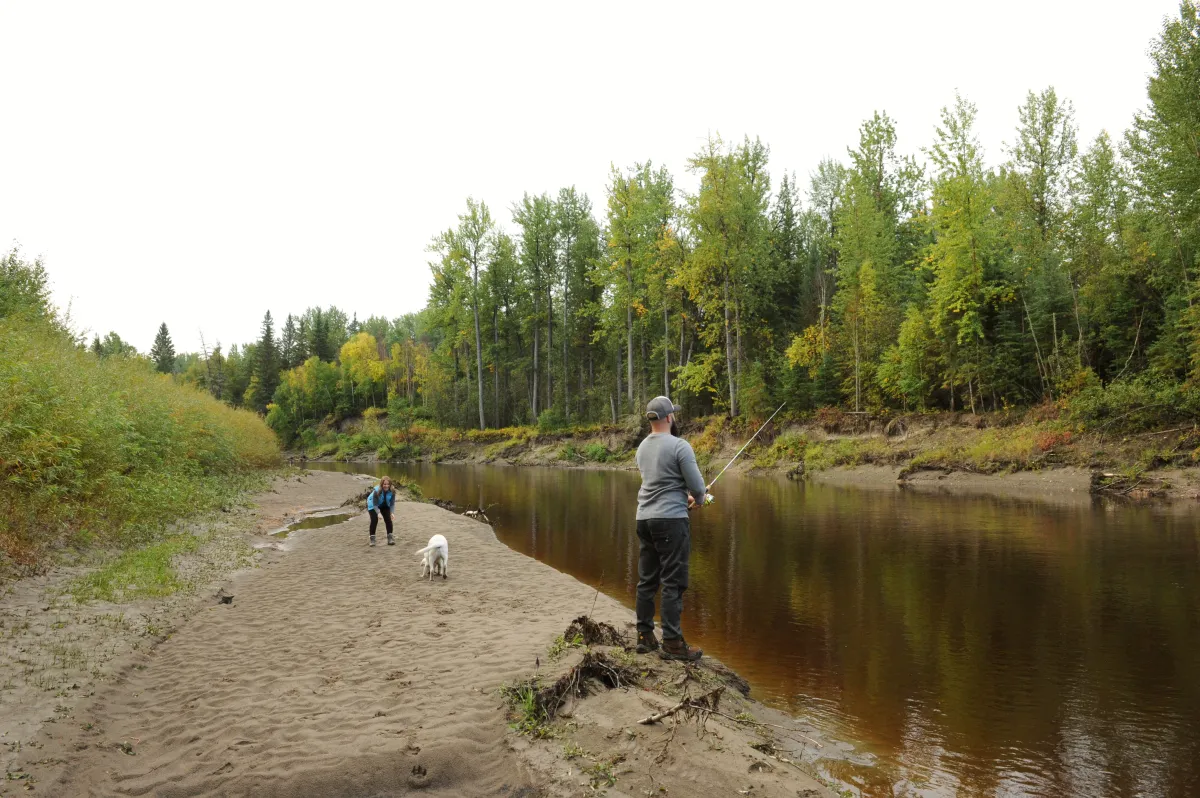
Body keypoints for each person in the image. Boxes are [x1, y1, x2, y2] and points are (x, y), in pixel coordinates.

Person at [634, 396, 707, 661]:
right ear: (668, 418)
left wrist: (684, 496)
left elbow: (659, 482)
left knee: (647, 580)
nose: (674, 417)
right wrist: (698, 499)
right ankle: (673, 644)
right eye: (673, 414)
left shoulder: (641, 448)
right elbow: (698, 488)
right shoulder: (680, 446)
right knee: (673, 582)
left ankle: (644, 637)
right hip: (671, 521)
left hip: (644, 519)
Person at [366, 476, 396, 547]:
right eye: (384, 484)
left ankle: (390, 538)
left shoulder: (392, 491)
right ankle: (372, 539)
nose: (386, 486)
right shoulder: (376, 491)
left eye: (388, 484)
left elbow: (392, 504)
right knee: (374, 520)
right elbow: (375, 505)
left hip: (384, 504)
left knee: (388, 520)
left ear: (390, 484)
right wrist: (378, 513)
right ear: (381, 484)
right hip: (373, 504)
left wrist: (392, 513)